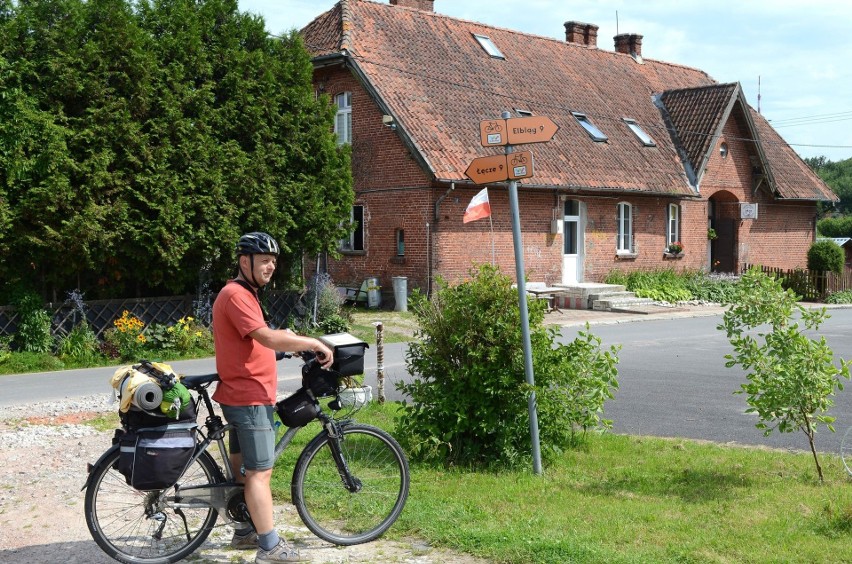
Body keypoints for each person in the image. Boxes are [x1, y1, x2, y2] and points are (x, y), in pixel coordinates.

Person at [212, 231, 334, 563]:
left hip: (242, 395)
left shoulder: (243, 294)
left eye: (274, 262)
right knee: (259, 474)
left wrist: (284, 345)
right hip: (249, 398)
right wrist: (311, 343)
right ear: (244, 262)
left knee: (243, 470)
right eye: (265, 261)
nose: (271, 267)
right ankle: (270, 547)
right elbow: (265, 337)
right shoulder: (236, 295)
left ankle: (244, 530)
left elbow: (252, 342)